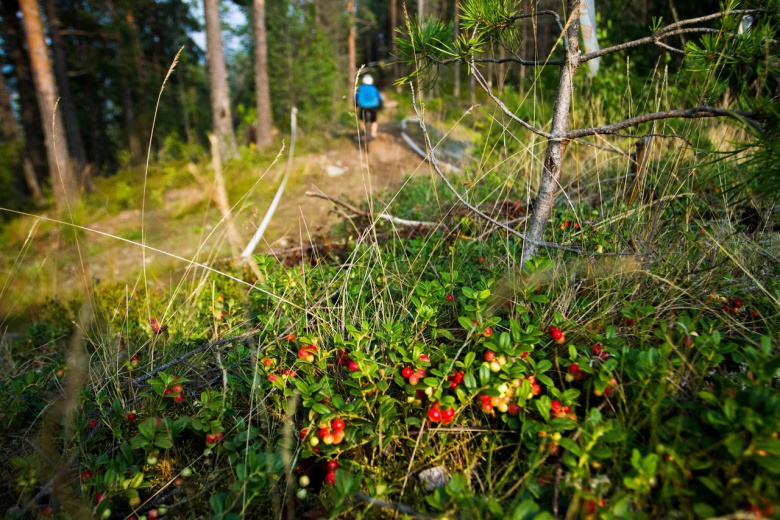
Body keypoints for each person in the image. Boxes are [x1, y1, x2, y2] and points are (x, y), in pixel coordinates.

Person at [355, 74, 383, 140]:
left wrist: (356, 104)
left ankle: (362, 131)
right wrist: (380, 105)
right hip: (373, 106)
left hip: (363, 106)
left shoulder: (360, 88)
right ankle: (373, 134)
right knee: (374, 121)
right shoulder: (374, 88)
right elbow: (379, 98)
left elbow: (356, 97)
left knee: (361, 119)